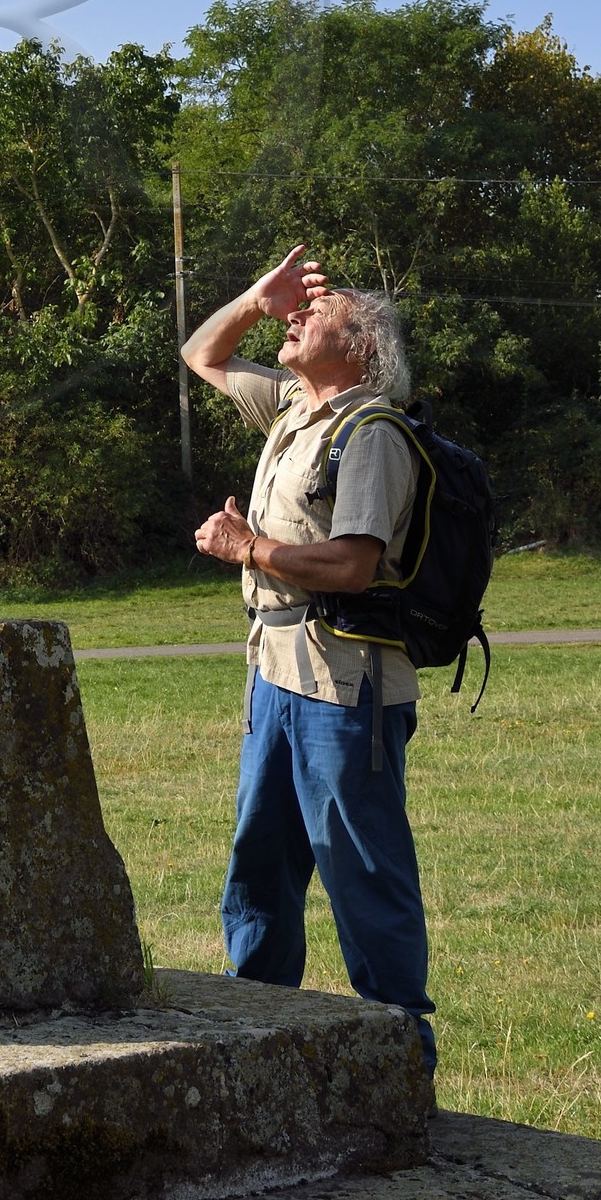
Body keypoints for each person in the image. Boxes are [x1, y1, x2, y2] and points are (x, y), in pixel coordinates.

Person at [182, 244, 437, 1076]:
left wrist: (247, 547)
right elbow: (201, 354)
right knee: (260, 861)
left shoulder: (372, 432)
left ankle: (402, 1061)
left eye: (315, 313)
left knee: (361, 869)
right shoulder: (294, 404)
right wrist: (260, 298)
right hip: (276, 675)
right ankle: (253, 1046)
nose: (297, 317)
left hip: (345, 686)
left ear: (361, 344)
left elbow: (354, 563)